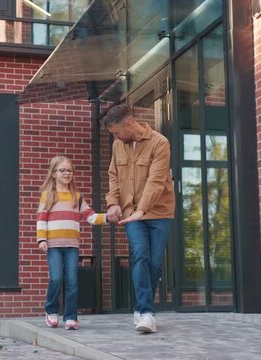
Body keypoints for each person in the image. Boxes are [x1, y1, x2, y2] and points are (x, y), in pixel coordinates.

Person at [103, 103, 175, 333]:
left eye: (116, 132)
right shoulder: (118, 145)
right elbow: (113, 176)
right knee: (140, 255)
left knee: (154, 262)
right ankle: (146, 312)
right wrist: (113, 203)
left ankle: (142, 307)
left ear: (129, 124)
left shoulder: (160, 143)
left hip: (159, 211)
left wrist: (141, 211)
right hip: (129, 212)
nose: (115, 137)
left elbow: (155, 181)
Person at [36, 155, 116, 330]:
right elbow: (41, 219)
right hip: (53, 246)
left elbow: (91, 217)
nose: (67, 173)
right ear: (54, 174)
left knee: (72, 281)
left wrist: (108, 218)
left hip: (72, 246)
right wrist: (41, 239)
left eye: (69, 170)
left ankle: (71, 317)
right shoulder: (48, 196)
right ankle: (51, 311)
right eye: (62, 170)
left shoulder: (77, 197)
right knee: (56, 278)